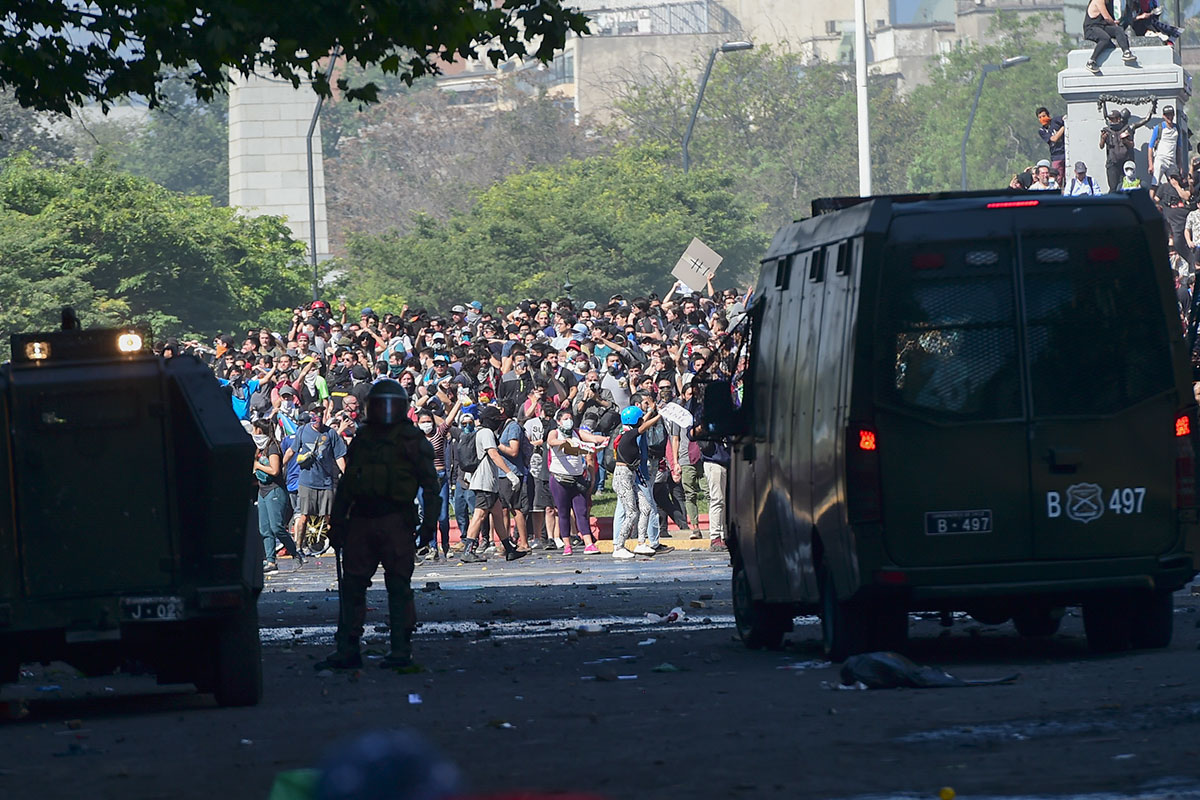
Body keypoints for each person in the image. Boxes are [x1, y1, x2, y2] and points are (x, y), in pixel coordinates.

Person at [315, 382, 439, 671]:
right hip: (362, 519)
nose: (384, 411)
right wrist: (337, 522)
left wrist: (429, 526)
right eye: (380, 404)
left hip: (395, 518)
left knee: (398, 586)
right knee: (353, 586)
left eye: (390, 404)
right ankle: (348, 647)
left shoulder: (412, 439)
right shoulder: (363, 438)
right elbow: (347, 484)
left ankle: (400, 648)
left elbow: (431, 486)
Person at [284, 403, 348, 555]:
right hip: (307, 481)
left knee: (328, 516)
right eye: (314, 413)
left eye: (320, 412)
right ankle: (299, 547)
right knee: (304, 516)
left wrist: (346, 474)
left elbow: (339, 456)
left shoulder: (331, 433)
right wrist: (282, 466)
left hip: (326, 482)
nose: (317, 416)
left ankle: (333, 545)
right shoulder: (302, 431)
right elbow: (291, 451)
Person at [546, 408, 602, 555]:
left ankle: (589, 543)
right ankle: (567, 545)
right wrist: (565, 441)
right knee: (563, 512)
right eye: (565, 418)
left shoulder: (577, 432)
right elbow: (551, 441)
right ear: (558, 421)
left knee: (581, 511)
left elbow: (593, 439)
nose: (568, 421)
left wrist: (603, 440)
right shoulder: (555, 433)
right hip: (559, 478)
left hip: (577, 477)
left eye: (570, 418)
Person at [252, 419, 303, 573]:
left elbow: (275, 470)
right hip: (263, 491)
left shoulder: (272, 448)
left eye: (255, 430)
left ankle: (296, 553)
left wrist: (258, 465)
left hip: (275, 490)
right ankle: (270, 561)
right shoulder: (258, 449)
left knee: (276, 527)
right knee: (264, 528)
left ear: (260, 431)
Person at [1100, 108, 1149, 192]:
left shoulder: (1127, 129)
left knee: (1124, 185)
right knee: (1113, 187)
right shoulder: (1107, 131)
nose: (1111, 121)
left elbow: (1131, 145)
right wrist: (1103, 139)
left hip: (1125, 163)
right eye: (1110, 119)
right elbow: (1101, 146)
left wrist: (1125, 140)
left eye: (1112, 119)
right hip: (1112, 164)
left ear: (1118, 119)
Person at [1083, 0, 1136, 74]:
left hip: (1102, 26)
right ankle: (1091, 61)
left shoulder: (1110, 2)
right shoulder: (1099, 0)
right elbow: (1107, 17)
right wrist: (1114, 24)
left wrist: (1115, 24)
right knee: (1105, 39)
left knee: (1118, 30)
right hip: (1092, 28)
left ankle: (1126, 52)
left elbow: (1110, 20)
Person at [1149, 106, 1182, 188]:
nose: (1169, 117)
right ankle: (1150, 200)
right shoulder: (1159, 128)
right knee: (1155, 183)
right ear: (1163, 116)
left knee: (1175, 184)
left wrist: (1180, 165)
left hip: (1172, 160)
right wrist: (1150, 164)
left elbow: (1179, 148)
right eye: (1167, 115)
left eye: (1171, 115)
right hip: (1160, 159)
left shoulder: (1177, 128)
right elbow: (1150, 146)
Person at [1036, 108, 1067, 181]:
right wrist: (1063, 127)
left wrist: (1065, 120)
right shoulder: (1042, 131)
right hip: (1056, 156)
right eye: (1040, 117)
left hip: (1066, 152)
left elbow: (1065, 118)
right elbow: (1054, 139)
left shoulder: (1055, 121)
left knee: (1068, 178)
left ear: (1048, 115)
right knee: (1057, 178)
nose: (1042, 119)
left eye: (1044, 116)